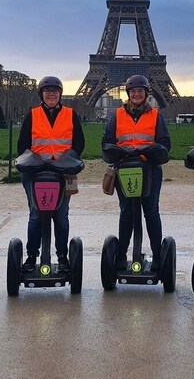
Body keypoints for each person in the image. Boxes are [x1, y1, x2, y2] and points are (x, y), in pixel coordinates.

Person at [101, 75, 171, 272]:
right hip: (125, 169)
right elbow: (107, 141)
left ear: (146, 93)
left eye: (140, 91)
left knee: (151, 212)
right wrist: (116, 152)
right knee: (127, 213)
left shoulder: (156, 115)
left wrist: (151, 152)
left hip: (149, 169)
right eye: (133, 91)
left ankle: (157, 256)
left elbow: (165, 144)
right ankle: (122, 255)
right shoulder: (117, 115)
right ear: (128, 94)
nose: (137, 94)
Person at [16, 76, 85, 272]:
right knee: (36, 214)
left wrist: (67, 161)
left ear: (60, 93)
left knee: (61, 215)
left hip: (62, 172)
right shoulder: (33, 114)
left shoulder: (71, 114)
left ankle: (62, 256)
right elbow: (23, 145)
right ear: (41, 94)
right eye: (47, 91)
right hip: (36, 172)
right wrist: (34, 162)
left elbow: (79, 143)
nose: (51, 94)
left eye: (55, 90)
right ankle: (31, 256)